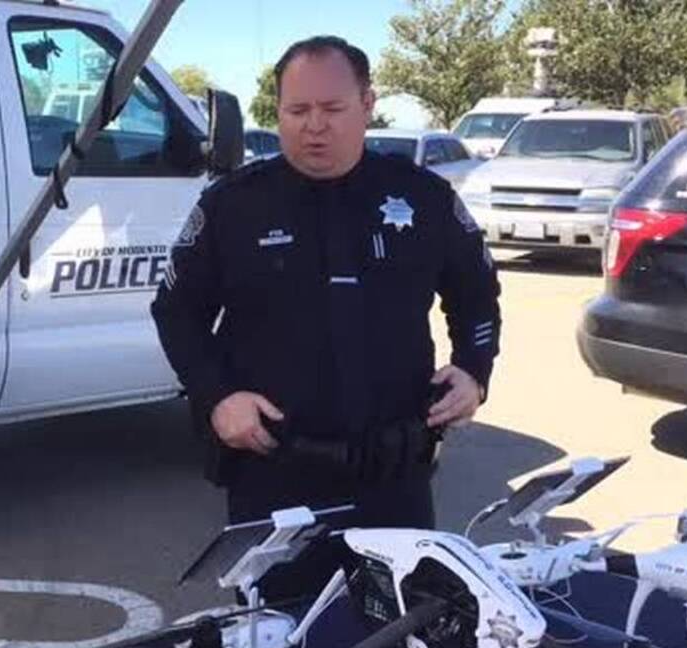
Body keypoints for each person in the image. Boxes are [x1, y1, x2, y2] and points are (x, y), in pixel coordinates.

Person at [151, 36, 501, 599]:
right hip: (276, 476)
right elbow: (177, 312)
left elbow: (477, 294)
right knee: (277, 647)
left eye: (333, 109)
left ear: (367, 104)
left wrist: (474, 369)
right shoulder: (233, 206)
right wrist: (217, 397)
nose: (315, 126)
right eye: (297, 110)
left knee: (403, 639)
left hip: (395, 478)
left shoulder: (423, 198)